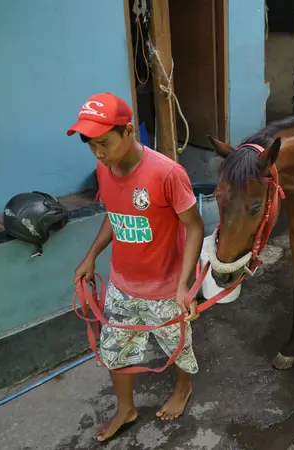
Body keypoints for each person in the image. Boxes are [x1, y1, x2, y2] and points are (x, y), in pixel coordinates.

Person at [67, 92, 204, 442]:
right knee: (113, 350)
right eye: (91, 145)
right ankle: (125, 408)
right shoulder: (104, 168)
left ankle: (183, 389)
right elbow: (115, 216)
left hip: (165, 286)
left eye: (104, 143)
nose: (98, 153)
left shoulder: (167, 173)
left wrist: (184, 286)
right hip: (122, 285)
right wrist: (91, 255)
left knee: (177, 348)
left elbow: (193, 227)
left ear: (129, 131)